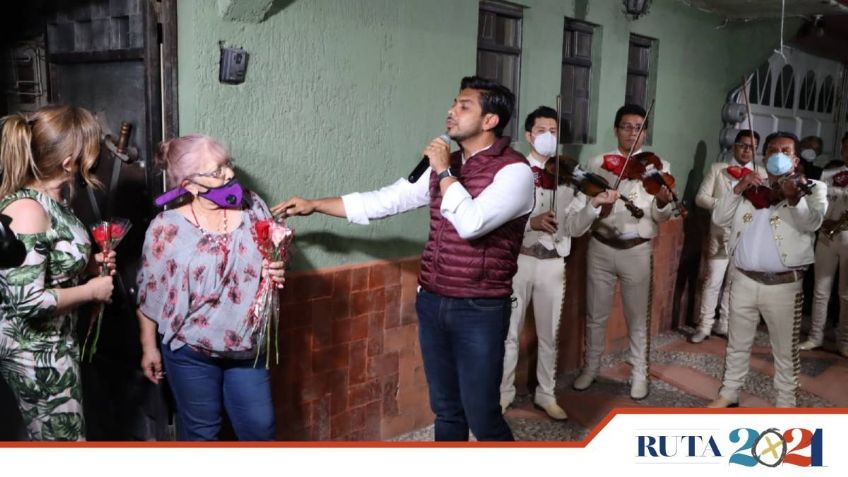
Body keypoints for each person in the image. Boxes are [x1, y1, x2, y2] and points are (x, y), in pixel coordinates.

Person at [274, 76, 533, 441]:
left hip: (479, 308)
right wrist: (315, 205)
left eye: (464, 106)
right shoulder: (447, 165)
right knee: (446, 410)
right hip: (432, 300)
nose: (451, 111)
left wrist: (444, 171)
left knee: (483, 416)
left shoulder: (515, 172)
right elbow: (385, 201)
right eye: (453, 103)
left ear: (491, 121)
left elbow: (472, 223)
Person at [136, 134, 286, 440]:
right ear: (190, 184)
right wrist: (149, 347)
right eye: (217, 170)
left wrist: (280, 266)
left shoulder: (253, 206)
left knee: (261, 429)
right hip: (190, 350)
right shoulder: (166, 227)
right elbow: (148, 292)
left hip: (247, 347)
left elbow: (277, 255)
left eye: (228, 164)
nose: (229, 174)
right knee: (202, 435)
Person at [0, 105, 115, 440]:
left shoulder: (53, 201)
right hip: (35, 353)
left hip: (56, 343)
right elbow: (28, 300)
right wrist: (92, 291)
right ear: (69, 163)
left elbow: (49, 265)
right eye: (91, 153)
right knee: (63, 445)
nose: (95, 161)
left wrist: (90, 266)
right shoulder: (27, 210)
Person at [499, 106, 617, 420]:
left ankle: (546, 395)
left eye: (553, 131)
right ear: (528, 135)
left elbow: (575, 228)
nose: (548, 136)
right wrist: (530, 224)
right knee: (508, 334)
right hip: (518, 262)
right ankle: (503, 394)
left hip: (553, 263)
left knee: (549, 334)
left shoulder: (569, 176)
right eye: (541, 130)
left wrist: (594, 205)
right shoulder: (513, 171)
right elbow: (498, 222)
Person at [708, 132, 826, 408]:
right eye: (773, 150)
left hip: (784, 286)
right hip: (744, 280)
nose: (778, 155)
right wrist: (738, 188)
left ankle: (785, 402)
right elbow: (719, 218)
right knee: (737, 343)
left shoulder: (812, 188)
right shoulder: (751, 188)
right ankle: (729, 393)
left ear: (795, 159)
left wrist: (795, 199)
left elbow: (812, 223)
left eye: (785, 151)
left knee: (784, 350)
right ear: (765, 156)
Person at [572, 104, 676, 400]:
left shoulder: (659, 167)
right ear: (616, 130)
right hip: (601, 247)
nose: (633, 132)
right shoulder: (598, 162)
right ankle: (591, 368)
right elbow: (584, 203)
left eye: (639, 127)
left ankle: (639, 374)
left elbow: (661, 216)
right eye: (627, 126)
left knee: (636, 317)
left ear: (645, 133)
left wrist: (663, 202)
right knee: (595, 314)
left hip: (636, 250)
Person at [691, 130, 765, 343]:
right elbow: (701, 198)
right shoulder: (718, 169)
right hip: (720, 233)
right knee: (712, 280)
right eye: (742, 145)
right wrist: (725, 206)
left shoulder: (760, 174)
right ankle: (704, 325)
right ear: (734, 146)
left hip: (745, 236)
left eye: (751, 147)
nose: (746, 150)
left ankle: (724, 323)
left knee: (734, 282)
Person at [802, 131, 848, 356]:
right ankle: (815, 335)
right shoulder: (827, 173)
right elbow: (815, 201)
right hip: (826, 235)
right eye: (847, 148)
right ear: (842, 149)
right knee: (821, 289)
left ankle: (844, 340)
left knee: (846, 293)